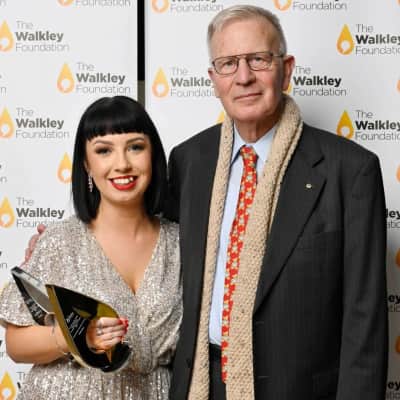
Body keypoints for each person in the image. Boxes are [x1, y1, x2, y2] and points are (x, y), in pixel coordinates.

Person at [165, 5, 388, 400]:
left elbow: (364, 320)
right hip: (204, 385)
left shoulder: (350, 171)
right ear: (214, 80)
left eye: (258, 59)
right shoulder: (188, 162)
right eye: (229, 63)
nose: (244, 77)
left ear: (286, 69)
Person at [0, 96, 182, 399]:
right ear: (86, 163)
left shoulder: (183, 243)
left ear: (153, 155)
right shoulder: (60, 241)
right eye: (104, 150)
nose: (122, 164)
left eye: (135, 147)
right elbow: (16, 345)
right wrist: (75, 337)